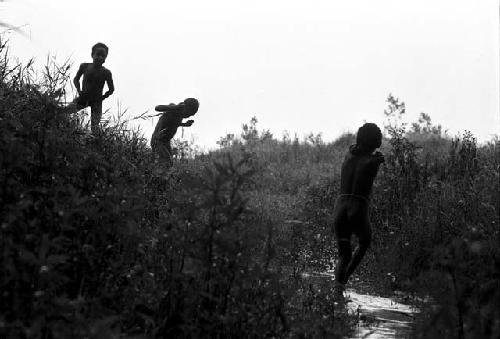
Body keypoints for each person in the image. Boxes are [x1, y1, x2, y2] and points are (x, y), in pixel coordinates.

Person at [332, 123, 385, 293]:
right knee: (365, 241)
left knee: (344, 254)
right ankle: (346, 277)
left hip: (340, 207)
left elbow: (354, 149)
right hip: (358, 206)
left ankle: (337, 288)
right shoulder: (375, 160)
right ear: (376, 141)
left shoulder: (349, 155)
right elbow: (376, 159)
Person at [66, 42, 114, 133]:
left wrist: (102, 97)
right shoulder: (84, 66)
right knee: (66, 111)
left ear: (105, 59)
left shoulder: (106, 73)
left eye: (103, 56)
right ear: (92, 55)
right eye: (98, 55)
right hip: (83, 98)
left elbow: (111, 89)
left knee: (95, 128)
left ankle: (94, 143)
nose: (100, 57)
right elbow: (76, 79)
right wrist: (79, 91)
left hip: (96, 103)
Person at [151, 98, 199, 165]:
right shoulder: (174, 108)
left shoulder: (179, 114)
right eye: (188, 114)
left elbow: (173, 123)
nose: (188, 116)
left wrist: (185, 124)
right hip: (158, 140)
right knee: (167, 161)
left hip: (166, 142)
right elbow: (157, 108)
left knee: (169, 164)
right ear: (185, 107)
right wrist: (175, 107)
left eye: (190, 115)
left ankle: (156, 173)